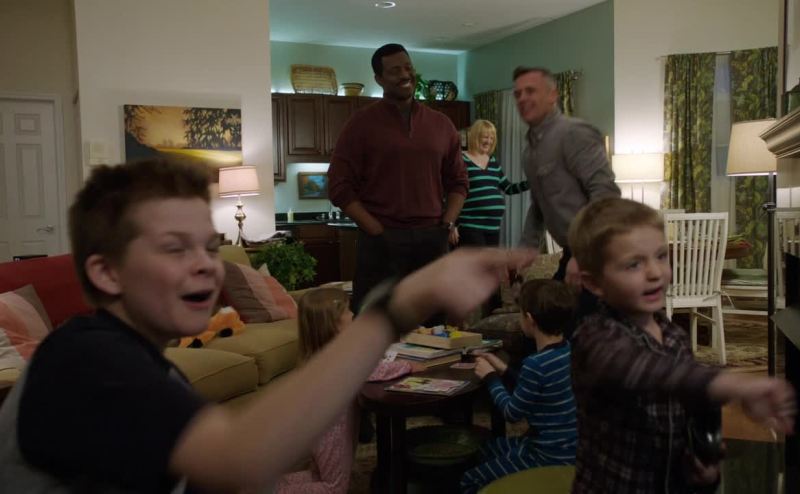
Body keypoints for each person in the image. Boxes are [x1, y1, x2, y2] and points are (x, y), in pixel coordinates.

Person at [0, 158, 536, 493]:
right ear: (106, 272)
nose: (206, 265)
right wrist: (401, 304)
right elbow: (239, 460)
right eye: (174, 248)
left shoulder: (150, 370)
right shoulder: (81, 359)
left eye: (209, 247)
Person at [568, 197, 796, 493]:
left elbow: (689, 402)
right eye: (634, 264)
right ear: (594, 283)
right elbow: (647, 371)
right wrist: (734, 384)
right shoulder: (594, 337)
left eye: (661, 256)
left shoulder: (674, 335)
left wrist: (703, 462)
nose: (655, 272)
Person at [328, 43, 468, 316]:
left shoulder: (441, 125)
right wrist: (375, 229)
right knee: (374, 325)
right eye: (394, 71)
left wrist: (447, 223)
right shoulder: (360, 124)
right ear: (379, 79)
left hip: (432, 240)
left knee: (437, 327)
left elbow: (459, 181)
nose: (405, 75)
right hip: (382, 243)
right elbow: (338, 185)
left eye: (408, 67)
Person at [276, 287, 423, 493]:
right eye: (347, 311)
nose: (353, 314)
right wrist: (408, 366)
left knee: (320, 476)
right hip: (331, 433)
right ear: (334, 324)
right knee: (334, 487)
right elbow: (371, 369)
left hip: (321, 430)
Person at [460, 279, 577, 494]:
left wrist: (490, 377)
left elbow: (512, 414)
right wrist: (504, 369)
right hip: (569, 451)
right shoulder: (567, 351)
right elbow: (537, 389)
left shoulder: (535, 364)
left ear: (529, 319)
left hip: (545, 455)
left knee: (470, 479)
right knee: (488, 448)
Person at [513, 66, 620, 286]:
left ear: (552, 95)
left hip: (599, 251)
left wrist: (584, 255)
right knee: (551, 304)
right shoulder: (529, 152)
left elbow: (606, 195)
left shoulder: (574, 134)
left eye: (530, 91)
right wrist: (526, 248)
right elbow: (539, 205)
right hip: (572, 251)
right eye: (518, 94)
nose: (522, 98)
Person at [450, 119, 528, 249]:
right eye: (485, 137)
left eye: (492, 138)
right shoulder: (461, 160)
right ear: (475, 137)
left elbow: (508, 188)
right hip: (470, 226)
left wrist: (531, 183)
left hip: (493, 228)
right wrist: (452, 224)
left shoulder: (493, 162)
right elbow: (451, 192)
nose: (489, 141)